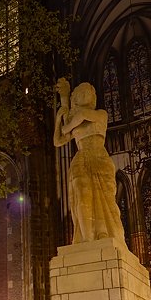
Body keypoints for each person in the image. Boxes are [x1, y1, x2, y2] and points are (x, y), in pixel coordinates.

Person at [53, 78, 125, 245]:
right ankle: (86, 239)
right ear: (75, 99)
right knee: (81, 197)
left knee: (107, 200)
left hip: (99, 157)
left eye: (88, 92)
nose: (85, 94)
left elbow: (79, 117)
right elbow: (58, 141)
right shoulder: (74, 121)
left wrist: (66, 122)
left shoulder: (100, 114)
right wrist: (59, 117)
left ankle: (107, 233)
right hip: (81, 158)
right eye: (80, 93)